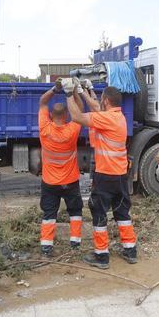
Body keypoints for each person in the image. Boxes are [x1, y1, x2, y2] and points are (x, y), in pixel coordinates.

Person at [65, 78, 136, 269]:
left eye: (101, 98)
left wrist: (68, 94)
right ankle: (130, 250)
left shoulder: (106, 118)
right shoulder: (118, 117)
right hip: (120, 174)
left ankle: (101, 255)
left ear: (106, 101)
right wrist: (86, 91)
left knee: (98, 211)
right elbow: (97, 107)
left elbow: (77, 117)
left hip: (105, 175)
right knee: (122, 211)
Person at [37, 84, 83, 257]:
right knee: (75, 211)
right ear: (66, 116)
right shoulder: (72, 129)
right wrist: (73, 91)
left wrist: (55, 89)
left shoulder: (44, 128)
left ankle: (46, 247)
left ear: (50, 115)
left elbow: (42, 102)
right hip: (70, 181)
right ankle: (75, 244)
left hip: (50, 182)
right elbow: (80, 109)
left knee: (49, 213)